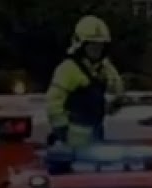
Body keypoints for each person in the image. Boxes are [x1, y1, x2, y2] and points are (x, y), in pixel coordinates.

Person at [45, 16, 127, 147]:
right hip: (72, 138)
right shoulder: (68, 69)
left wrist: (114, 103)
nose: (97, 49)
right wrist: (62, 131)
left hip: (96, 133)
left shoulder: (105, 68)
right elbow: (53, 103)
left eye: (100, 45)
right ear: (81, 45)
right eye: (93, 45)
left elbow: (118, 91)